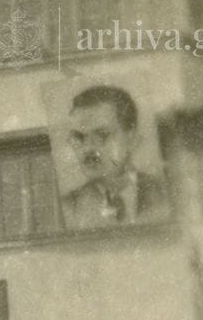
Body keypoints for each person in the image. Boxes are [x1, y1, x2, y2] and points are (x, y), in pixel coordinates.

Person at [62, 84, 170, 227]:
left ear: (132, 140)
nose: (87, 148)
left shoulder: (167, 192)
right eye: (79, 137)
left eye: (102, 135)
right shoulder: (69, 207)